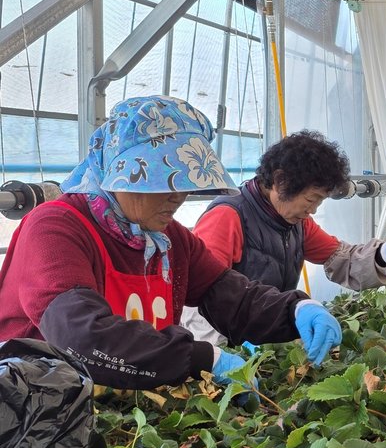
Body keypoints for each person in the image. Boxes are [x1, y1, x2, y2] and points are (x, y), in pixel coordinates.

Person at [0, 96, 343, 391]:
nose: (178, 197)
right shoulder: (56, 229)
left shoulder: (168, 238)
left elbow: (230, 296)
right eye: (163, 182)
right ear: (120, 172)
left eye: (185, 183)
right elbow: (81, 337)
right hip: (40, 409)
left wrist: (295, 309)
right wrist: (201, 357)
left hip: (126, 398)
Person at [183, 131, 386, 343]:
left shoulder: (297, 224)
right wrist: (221, 349)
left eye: (319, 201)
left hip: (266, 332)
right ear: (280, 182)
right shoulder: (228, 217)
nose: (313, 210)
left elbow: (340, 258)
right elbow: (203, 297)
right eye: (311, 199)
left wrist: (384, 254)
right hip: (226, 341)